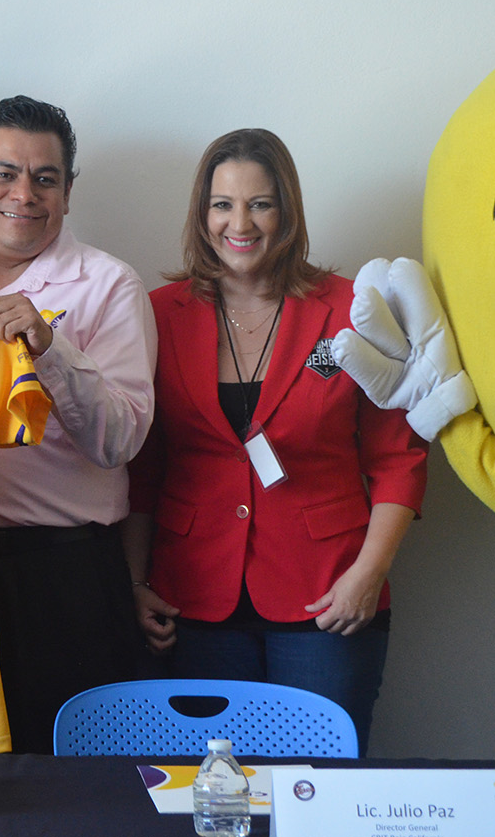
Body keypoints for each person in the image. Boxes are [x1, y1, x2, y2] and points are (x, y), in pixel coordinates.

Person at [123, 128, 426, 753]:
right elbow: (142, 468)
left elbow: (398, 458)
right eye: (223, 204)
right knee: (211, 789)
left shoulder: (352, 310)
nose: (240, 224)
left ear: (287, 211)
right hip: (192, 599)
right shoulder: (157, 313)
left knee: (318, 787)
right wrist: (134, 581)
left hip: (328, 598)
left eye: (260, 204)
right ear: (202, 213)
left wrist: (369, 574)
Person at [0, 95, 156, 754]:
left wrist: (48, 346)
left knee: (78, 777)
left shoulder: (110, 286)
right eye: (4, 174)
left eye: (45, 179)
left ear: (67, 193)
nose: (23, 195)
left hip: (70, 576)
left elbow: (120, 441)